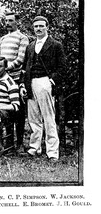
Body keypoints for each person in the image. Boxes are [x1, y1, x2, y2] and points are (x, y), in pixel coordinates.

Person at [20, 16, 66, 162]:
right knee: (33, 118)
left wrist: (52, 81)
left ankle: (53, 152)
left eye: (41, 26)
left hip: (45, 82)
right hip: (30, 82)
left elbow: (62, 67)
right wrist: (22, 84)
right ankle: (34, 147)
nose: (38, 29)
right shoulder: (30, 46)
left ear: (47, 27)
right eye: (36, 27)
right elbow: (24, 68)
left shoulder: (55, 45)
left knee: (48, 118)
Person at [0, 12, 29, 153]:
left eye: (10, 20)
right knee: (6, 110)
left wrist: (6, 68)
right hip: (3, 80)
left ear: (17, 22)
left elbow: (20, 59)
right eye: (6, 21)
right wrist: (0, 71)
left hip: (16, 79)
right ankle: (9, 143)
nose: (8, 23)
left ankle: (20, 143)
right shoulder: (2, 39)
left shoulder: (22, 38)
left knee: (19, 112)